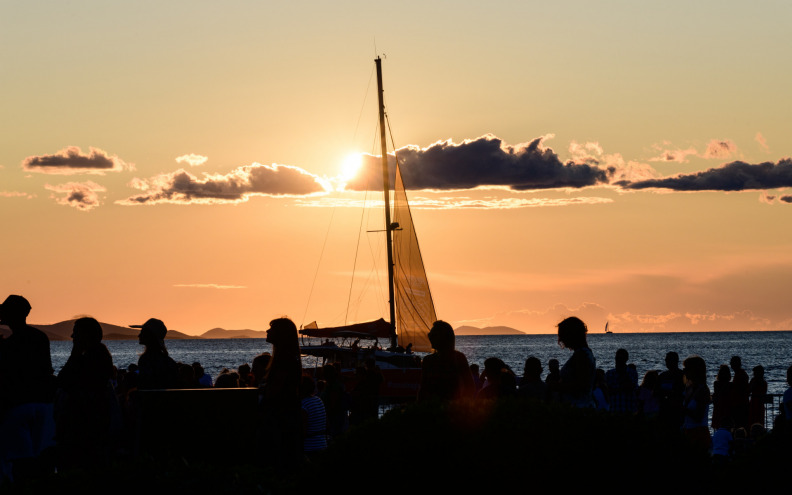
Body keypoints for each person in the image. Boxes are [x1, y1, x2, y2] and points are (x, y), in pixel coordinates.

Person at [0, 295, 57, 482]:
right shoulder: (40, 338)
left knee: (21, 461)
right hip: (43, 404)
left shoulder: (10, 345)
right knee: (41, 457)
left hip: (18, 406)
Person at [54, 317, 118, 470]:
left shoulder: (87, 360)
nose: (72, 337)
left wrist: (74, 353)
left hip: (83, 428)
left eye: (75, 333)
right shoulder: (101, 356)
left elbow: (63, 380)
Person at [259, 317, 302, 468]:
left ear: (280, 334)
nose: (267, 331)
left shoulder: (284, 360)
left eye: (272, 328)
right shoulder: (289, 358)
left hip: (280, 420)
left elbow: (275, 391)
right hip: (286, 418)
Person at [418, 320, 475, 401]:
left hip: (453, 409)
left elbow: (470, 386)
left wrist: (462, 406)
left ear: (444, 337)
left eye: (433, 335)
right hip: (433, 409)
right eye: (430, 334)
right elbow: (423, 390)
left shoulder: (458, 358)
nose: (429, 337)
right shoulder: (427, 360)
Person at [554, 317, 596, 408]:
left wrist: (557, 386)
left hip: (579, 408)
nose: (560, 340)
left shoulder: (582, 355)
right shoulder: (584, 353)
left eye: (562, 335)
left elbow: (580, 385)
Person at [133, 318, 178, 390]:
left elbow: (145, 386)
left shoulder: (146, 360)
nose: (139, 335)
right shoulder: (168, 361)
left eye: (142, 332)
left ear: (150, 336)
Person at [681, 355, 712, 452]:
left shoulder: (702, 390)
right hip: (687, 432)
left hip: (699, 434)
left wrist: (683, 410)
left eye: (686, 369)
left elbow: (699, 417)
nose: (684, 371)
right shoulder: (689, 388)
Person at [656, 351, 685, 430]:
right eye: (666, 360)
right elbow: (657, 392)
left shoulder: (682, 376)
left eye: (668, 360)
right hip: (664, 412)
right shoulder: (662, 376)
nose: (666, 362)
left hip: (677, 412)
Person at [605, 348, 638, 414]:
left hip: (628, 410)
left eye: (621, 358)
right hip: (614, 410)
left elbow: (631, 388)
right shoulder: (609, 374)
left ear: (626, 359)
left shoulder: (632, 373)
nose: (618, 360)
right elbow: (607, 391)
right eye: (617, 358)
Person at [729, 356, 750, 430]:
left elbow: (740, 388)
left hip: (739, 404)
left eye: (731, 362)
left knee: (739, 424)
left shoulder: (740, 374)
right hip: (740, 403)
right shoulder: (740, 374)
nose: (730, 364)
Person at [711, 364, 732, 430]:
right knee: (727, 425)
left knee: (718, 425)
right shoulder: (730, 385)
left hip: (718, 406)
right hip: (727, 406)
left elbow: (716, 394)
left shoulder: (716, 383)